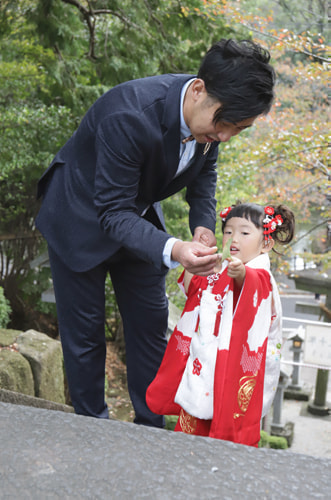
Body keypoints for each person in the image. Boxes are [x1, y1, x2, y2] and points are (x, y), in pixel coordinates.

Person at [35, 39, 276, 426]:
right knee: (85, 339)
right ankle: (91, 428)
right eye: (223, 124)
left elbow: (204, 174)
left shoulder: (210, 121)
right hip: (78, 217)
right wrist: (177, 249)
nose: (226, 136)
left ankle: (150, 430)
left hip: (139, 220)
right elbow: (112, 212)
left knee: (150, 331)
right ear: (198, 91)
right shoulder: (129, 114)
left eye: (238, 129)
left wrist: (201, 227)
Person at [146, 202, 295, 446]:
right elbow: (194, 291)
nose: (234, 238)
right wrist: (199, 266)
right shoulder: (222, 267)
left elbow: (253, 290)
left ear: (266, 243)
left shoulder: (259, 276)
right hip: (204, 365)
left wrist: (242, 277)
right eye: (228, 231)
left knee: (225, 432)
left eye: (245, 233)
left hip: (231, 366)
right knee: (190, 431)